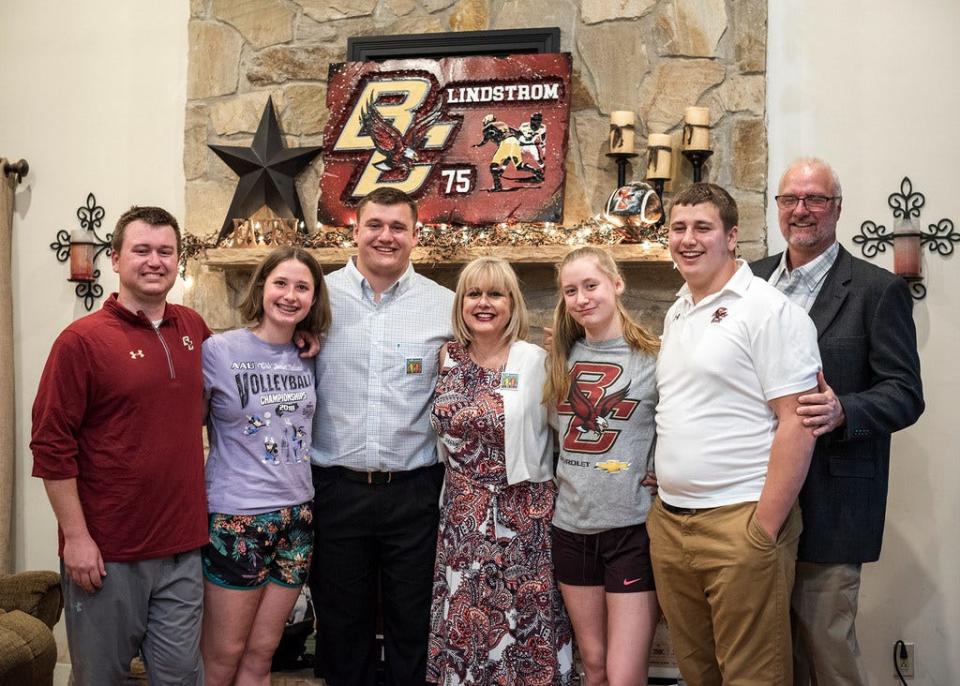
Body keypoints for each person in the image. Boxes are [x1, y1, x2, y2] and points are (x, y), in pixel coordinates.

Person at [751, 158, 924, 685]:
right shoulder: (748, 281)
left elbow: (904, 394)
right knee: (767, 654)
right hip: (748, 495)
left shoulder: (877, 290)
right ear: (778, 209)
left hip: (832, 502)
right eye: (790, 200)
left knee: (825, 648)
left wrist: (845, 408)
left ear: (837, 208)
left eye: (815, 199)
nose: (801, 210)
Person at [647, 183, 821, 685]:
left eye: (703, 227)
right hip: (672, 525)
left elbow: (798, 421)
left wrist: (762, 531)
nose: (688, 239)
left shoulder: (767, 310)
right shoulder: (678, 309)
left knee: (753, 676)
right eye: (678, 228)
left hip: (740, 523)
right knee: (698, 674)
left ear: (731, 237)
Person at [31, 206, 210, 685]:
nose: (155, 261)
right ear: (115, 258)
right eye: (142, 250)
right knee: (100, 679)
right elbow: (50, 446)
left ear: (179, 262)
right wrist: (77, 538)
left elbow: (238, 382)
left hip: (183, 549)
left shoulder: (193, 329)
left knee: (181, 678)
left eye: (166, 251)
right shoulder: (81, 341)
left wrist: (302, 341)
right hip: (107, 554)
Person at [309, 187, 454, 686]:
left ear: (416, 235)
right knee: (341, 625)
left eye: (398, 227)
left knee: (413, 623)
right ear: (355, 231)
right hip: (335, 488)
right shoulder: (316, 297)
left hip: (414, 491)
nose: (385, 236)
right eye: (375, 225)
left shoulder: (446, 306)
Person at [427, 257, 573, 685]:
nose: (484, 303)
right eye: (474, 294)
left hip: (522, 518)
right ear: (461, 303)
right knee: (464, 621)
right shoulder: (447, 358)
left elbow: (566, 433)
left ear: (512, 303)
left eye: (496, 294)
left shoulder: (536, 360)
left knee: (523, 627)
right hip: (460, 518)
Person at [200, 247, 330, 685]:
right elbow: (187, 427)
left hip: (298, 517)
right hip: (237, 518)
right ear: (262, 288)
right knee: (224, 654)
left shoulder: (310, 355)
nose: (290, 295)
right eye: (281, 283)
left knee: (262, 652)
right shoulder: (219, 350)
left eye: (302, 287)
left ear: (313, 299)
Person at [543, 246, 661, 686]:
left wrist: (663, 470)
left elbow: (676, 424)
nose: (581, 298)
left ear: (617, 283)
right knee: (593, 666)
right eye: (570, 291)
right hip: (570, 529)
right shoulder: (557, 358)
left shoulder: (652, 358)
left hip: (630, 530)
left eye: (590, 285)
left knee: (625, 674)